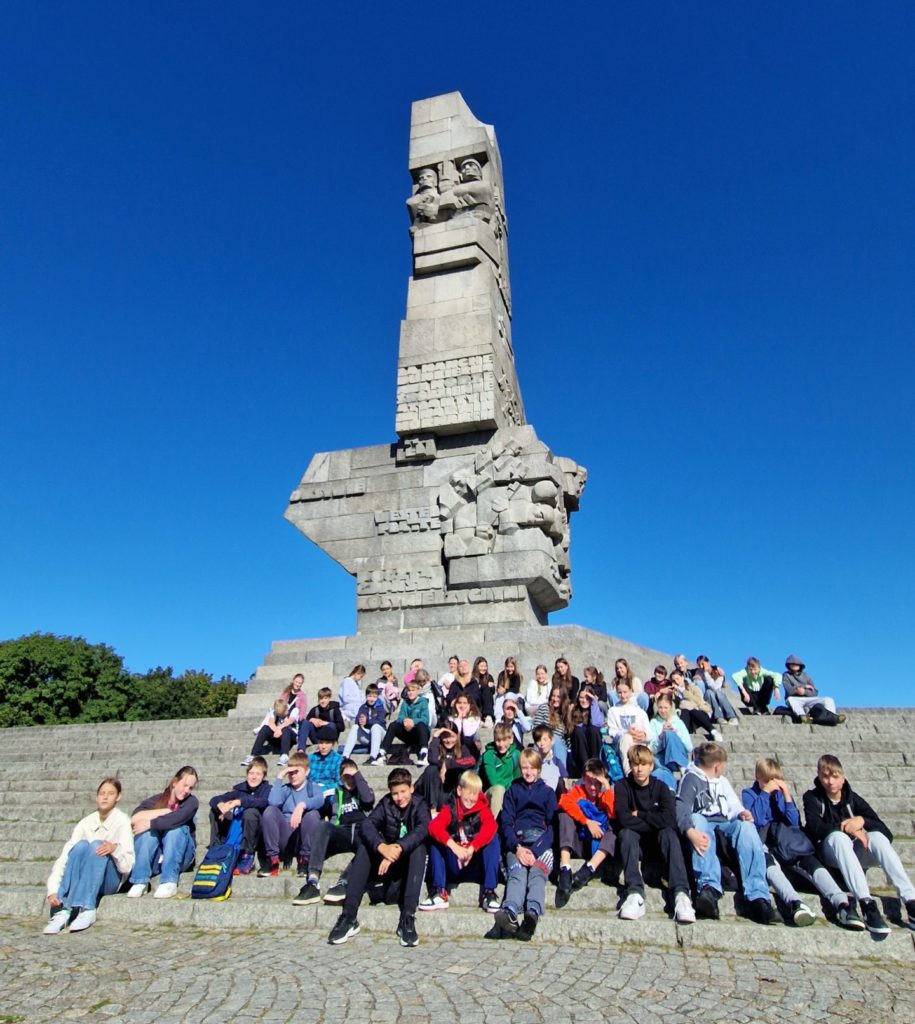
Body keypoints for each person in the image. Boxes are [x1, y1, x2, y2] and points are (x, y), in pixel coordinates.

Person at [742, 757, 860, 929]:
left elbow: (794, 822)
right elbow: (756, 820)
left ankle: (842, 903)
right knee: (768, 864)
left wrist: (787, 797)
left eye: (775, 780)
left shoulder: (781, 796)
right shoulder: (749, 794)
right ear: (757, 778)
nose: (772, 784)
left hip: (787, 840)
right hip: (764, 840)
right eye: (766, 781)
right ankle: (795, 902)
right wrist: (765, 793)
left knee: (812, 863)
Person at [803, 754, 915, 934]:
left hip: (855, 853)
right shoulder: (812, 798)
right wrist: (848, 828)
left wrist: (862, 820)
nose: (830, 782)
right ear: (818, 776)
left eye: (835, 776)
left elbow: (886, 832)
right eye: (825, 776)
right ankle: (866, 903)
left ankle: (910, 901)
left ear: (843, 776)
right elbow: (815, 828)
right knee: (838, 838)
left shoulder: (852, 798)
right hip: (829, 852)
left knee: (878, 838)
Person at [327, 768, 431, 947]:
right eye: (395, 793)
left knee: (419, 849)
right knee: (365, 848)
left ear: (411, 789)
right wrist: (382, 847)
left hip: (407, 864)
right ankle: (349, 916)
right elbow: (367, 825)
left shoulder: (421, 805)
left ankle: (407, 918)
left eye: (403, 792)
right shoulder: (386, 804)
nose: (399, 797)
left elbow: (422, 829)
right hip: (385, 860)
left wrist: (397, 848)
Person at [675, 743, 775, 924]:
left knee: (747, 827)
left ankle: (758, 896)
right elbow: (681, 809)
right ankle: (708, 888)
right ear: (717, 765)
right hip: (703, 825)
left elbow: (733, 805)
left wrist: (742, 813)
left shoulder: (723, 781)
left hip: (724, 825)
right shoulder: (690, 778)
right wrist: (690, 832)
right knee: (697, 820)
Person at [614, 745, 695, 924]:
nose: (639, 769)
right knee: (627, 833)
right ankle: (635, 893)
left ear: (651, 766)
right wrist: (654, 821)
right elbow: (624, 819)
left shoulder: (662, 788)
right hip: (635, 844)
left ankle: (681, 893)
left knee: (668, 833)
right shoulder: (622, 786)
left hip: (659, 844)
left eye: (644, 764)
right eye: (635, 764)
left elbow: (670, 820)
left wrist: (642, 815)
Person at [43, 778, 136, 933]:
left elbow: (127, 866)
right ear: (96, 797)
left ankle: (87, 908)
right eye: (102, 794)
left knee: (96, 845)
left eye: (110, 794)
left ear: (118, 797)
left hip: (109, 879)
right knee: (79, 847)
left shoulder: (122, 821)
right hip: (84, 875)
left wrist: (114, 849)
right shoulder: (86, 822)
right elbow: (64, 858)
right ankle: (65, 910)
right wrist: (53, 889)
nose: (105, 797)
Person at [491, 749, 557, 941]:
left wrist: (536, 850)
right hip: (518, 843)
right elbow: (506, 822)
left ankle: (532, 913)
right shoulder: (513, 791)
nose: (528, 772)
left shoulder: (547, 793)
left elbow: (553, 827)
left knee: (537, 874)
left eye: (532, 768)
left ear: (538, 769)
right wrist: (517, 848)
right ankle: (510, 911)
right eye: (524, 768)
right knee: (517, 873)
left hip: (541, 843)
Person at [292, 758, 375, 906]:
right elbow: (330, 814)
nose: (349, 780)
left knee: (369, 845)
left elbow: (369, 801)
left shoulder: (364, 790)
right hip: (342, 832)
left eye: (352, 776)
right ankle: (312, 882)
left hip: (361, 833)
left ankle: (344, 882)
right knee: (322, 825)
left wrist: (358, 776)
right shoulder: (338, 792)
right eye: (346, 777)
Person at [421, 770, 501, 914]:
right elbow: (434, 826)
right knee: (436, 840)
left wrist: (472, 848)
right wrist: (453, 846)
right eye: (468, 792)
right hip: (454, 863)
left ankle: (489, 892)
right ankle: (439, 891)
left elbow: (491, 827)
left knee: (493, 838)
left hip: (475, 863)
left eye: (475, 793)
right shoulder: (450, 808)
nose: (471, 798)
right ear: (459, 790)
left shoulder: (483, 809)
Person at [127, 765, 199, 899]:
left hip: (181, 856)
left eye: (190, 788)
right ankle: (140, 880)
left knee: (177, 828)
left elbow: (178, 818)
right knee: (146, 832)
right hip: (158, 856)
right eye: (184, 785)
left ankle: (169, 881)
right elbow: (135, 818)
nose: (187, 790)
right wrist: (166, 811)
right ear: (175, 782)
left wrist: (151, 822)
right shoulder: (157, 800)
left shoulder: (191, 802)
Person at [555, 759, 616, 909]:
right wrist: (587, 822)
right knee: (564, 816)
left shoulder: (605, 795)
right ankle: (565, 868)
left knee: (614, 827)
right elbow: (563, 802)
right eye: (590, 782)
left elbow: (613, 813)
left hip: (599, 846)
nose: (593, 787)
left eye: (597, 783)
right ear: (583, 778)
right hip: (580, 841)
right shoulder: (578, 791)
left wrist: (607, 788)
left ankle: (589, 868)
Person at [259, 752, 325, 878]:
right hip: (286, 837)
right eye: (290, 772)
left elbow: (320, 800)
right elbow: (273, 801)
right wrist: (280, 777)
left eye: (297, 772)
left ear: (306, 772)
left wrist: (302, 805)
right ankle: (272, 859)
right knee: (270, 811)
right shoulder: (286, 788)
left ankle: (304, 860)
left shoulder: (313, 787)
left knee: (313, 815)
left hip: (303, 837)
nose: (293, 776)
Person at [208, 755, 270, 876]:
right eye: (251, 773)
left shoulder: (267, 789)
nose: (253, 776)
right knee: (214, 810)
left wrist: (238, 802)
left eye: (258, 773)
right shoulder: (239, 789)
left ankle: (248, 856)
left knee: (250, 812)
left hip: (256, 833)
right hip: (238, 828)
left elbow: (262, 802)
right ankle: (216, 848)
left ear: (264, 776)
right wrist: (221, 805)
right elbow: (215, 799)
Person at [415, 726, 476, 812]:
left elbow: (471, 761)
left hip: (450, 792)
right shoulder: (437, 747)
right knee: (431, 769)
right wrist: (435, 737)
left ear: (457, 736)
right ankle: (432, 809)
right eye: (445, 737)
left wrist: (447, 764)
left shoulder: (462, 749)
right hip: (434, 792)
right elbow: (432, 760)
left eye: (451, 736)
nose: (448, 740)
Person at [373, 679, 431, 766]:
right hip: (407, 732)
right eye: (409, 690)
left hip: (420, 734)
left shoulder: (423, 702)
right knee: (393, 725)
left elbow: (425, 719)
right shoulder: (405, 703)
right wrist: (405, 721)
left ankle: (423, 754)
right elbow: (400, 717)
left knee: (421, 724)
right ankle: (382, 754)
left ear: (418, 691)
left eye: (413, 690)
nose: (410, 693)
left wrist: (413, 722)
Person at [604, 680, 650, 774]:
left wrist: (644, 735)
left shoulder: (639, 711)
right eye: (620, 692)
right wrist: (626, 733)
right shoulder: (613, 711)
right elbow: (612, 732)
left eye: (625, 692)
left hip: (638, 742)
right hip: (620, 743)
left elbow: (649, 732)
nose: (623, 695)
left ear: (630, 691)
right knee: (626, 738)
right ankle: (628, 771)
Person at [783, 656, 845, 724]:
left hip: (809, 699)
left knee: (828, 699)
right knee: (790, 699)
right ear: (788, 666)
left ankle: (832, 717)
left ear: (800, 665)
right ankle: (803, 717)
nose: (794, 665)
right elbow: (789, 690)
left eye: (796, 664)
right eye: (792, 664)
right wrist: (804, 686)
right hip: (796, 699)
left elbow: (815, 692)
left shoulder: (806, 675)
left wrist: (804, 692)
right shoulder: (786, 675)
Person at [479, 723, 521, 817]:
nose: (501, 744)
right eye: (498, 740)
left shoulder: (516, 755)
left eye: (504, 740)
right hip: (491, 793)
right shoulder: (489, 755)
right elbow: (493, 781)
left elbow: (516, 778)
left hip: (509, 792)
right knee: (499, 789)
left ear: (511, 739)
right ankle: (494, 826)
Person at [244, 698, 298, 767]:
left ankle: (284, 755)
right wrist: (276, 730)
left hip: (291, 737)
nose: (280, 716)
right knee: (265, 728)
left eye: (282, 714)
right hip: (278, 736)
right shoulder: (274, 712)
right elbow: (271, 723)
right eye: (279, 714)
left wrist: (279, 728)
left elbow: (290, 721)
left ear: (286, 709)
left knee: (285, 729)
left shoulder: (294, 710)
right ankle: (253, 755)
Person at [670, 668, 721, 741]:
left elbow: (698, 701)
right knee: (685, 710)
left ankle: (713, 731)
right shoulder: (674, 693)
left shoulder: (693, 687)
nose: (676, 681)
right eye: (674, 680)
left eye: (677, 678)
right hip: (687, 717)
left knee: (690, 710)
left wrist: (682, 691)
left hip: (700, 712)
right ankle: (683, 736)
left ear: (682, 677)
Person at [647, 693, 693, 775]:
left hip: (680, 754)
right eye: (660, 707)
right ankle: (679, 767)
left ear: (671, 707)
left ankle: (679, 765)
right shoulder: (653, 723)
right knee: (667, 734)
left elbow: (689, 747)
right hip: (662, 756)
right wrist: (661, 737)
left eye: (666, 708)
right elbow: (651, 749)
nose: (663, 711)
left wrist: (676, 734)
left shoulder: (678, 722)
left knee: (670, 734)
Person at [343, 682, 387, 763]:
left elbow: (381, 721)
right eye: (369, 696)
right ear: (366, 696)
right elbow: (357, 720)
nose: (371, 699)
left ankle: (373, 756)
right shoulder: (363, 707)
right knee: (355, 727)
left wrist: (367, 722)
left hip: (380, 735)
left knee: (375, 726)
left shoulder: (381, 708)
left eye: (374, 696)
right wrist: (361, 721)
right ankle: (345, 756)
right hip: (367, 736)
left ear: (377, 697)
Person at [532, 684, 572, 768]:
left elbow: (567, 737)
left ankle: (561, 776)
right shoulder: (544, 708)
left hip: (558, 747)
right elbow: (536, 731)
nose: (555, 699)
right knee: (555, 738)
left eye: (558, 696)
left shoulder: (565, 714)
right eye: (553, 696)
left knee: (557, 740)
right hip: (542, 742)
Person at [567, 686, 604, 777]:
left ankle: (595, 767)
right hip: (579, 752)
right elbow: (568, 730)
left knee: (593, 729)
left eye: (587, 698)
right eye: (581, 697)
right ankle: (586, 770)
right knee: (578, 731)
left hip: (593, 750)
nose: (584, 700)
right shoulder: (574, 710)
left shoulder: (596, 710)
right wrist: (569, 712)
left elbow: (596, 723)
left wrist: (594, 703)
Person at [694, 655, 738, 725]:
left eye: (703, 664)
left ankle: (732, 717)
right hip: (707, 698)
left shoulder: (718, 672)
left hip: (718, 696)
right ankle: (719, 717)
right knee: (709, 692)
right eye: (699, 665)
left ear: (708, 663)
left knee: (717, 693)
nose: (701, 667)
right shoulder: (699, 672)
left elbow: (715, 688)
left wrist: (706, 673)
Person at [532, 724, 568, 793]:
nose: (542, 743)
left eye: (545, 739)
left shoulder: (557, 762)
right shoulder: (534, 762)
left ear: (552, 740)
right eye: (538, 740)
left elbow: (565, 785)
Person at [309, 726, 344, 797]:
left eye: (327, 743)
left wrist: (323, 789)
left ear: (333, 744)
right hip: (311, 792)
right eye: (321, 743)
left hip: (329, 792)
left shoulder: (338, 759)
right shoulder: (310, 758)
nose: (323, 746)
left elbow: (339, 782)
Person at [472, 656, 497, 725]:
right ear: (477, 666)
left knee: (486, 689)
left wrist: (488, 686)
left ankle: (488, 717)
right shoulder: (472, 677)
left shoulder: (489, 677)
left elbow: (492, 691)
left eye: (485, 666)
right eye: (482, 666)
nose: (484, 668)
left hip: (486, 702)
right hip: (476, 701)